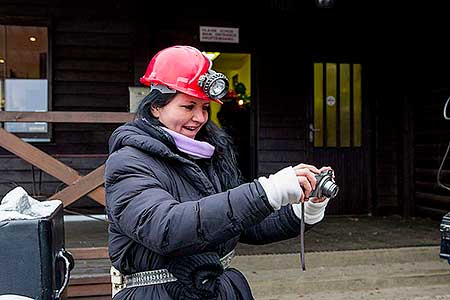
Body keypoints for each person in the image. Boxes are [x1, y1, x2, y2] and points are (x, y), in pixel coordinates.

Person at [105, 45, 334, 300]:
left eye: (204, 107)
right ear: (155, 107)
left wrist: (305, 209)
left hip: (217, 291)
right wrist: (267, 190)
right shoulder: (128, 161)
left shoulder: (206, 156)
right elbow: (167, 229)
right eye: (188, 106)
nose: (200, 117)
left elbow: (241, 224)